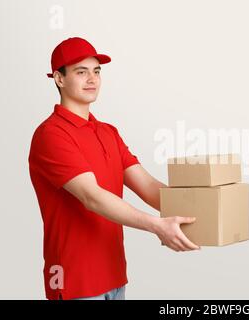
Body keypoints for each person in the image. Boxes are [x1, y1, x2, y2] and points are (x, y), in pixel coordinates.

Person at [28, 37, 200, 300]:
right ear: (59, 79)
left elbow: (150, 187)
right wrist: (158, 226)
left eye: (96, 71)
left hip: (114, 275)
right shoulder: (51, 135)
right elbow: (91, 196)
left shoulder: (108, 133)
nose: (92, 79)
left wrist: (202, 211)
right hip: (75, 281)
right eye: (80, 72)